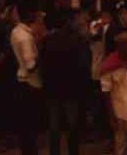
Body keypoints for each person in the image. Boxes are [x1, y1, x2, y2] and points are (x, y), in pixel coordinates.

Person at [40, 10, 90, 155]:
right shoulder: (77, 40)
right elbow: (83, 66)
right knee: (72, 124)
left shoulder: (48, 40)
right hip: (71, 88)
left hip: (52, 88)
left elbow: (43, 64)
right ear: (68, 21)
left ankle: (54, 152)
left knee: (54, 125)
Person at [11, 1, 44, 155]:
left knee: (25, 125)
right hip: (30, 84)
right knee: (30, 125)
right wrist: (41, 51)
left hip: (21, 80)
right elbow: (31, 66)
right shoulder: (26, 38)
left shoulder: (15, 31)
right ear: (31, 15)